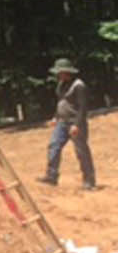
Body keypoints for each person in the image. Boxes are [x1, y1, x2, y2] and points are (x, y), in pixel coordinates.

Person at [38, 57, 95, 191]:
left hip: (75, 123)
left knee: (81, 151)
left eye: (61, 72)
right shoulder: (61, 84)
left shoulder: (79, 85)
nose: (59, 74)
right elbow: (62, 103)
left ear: (67, 72)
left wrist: (77, 124)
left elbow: (82, 107)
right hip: (62, 122)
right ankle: (52, 176)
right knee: (54, 146)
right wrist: (55, 117)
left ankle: (89, 180)